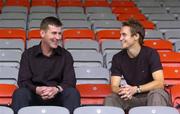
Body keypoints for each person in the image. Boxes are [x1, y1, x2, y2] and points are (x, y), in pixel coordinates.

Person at [11, 16, 80, 114]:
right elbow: (23, 81)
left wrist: (56, 89)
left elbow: (70, 81)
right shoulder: (28, 54)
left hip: (57, 97)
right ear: (42, 33)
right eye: (54, 33)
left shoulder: (66, 55)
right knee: (20, 93)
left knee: (72, 93)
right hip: (34, 96)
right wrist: (37, 89)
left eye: (59, 33)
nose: (58, 37)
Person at [104, 19, 172, 111]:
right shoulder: (117, 58)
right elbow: (114, 86)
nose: (120, 38)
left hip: (152, 95)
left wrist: (136, 89)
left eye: (124, 35)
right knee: (111, 98)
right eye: (120, 35)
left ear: (136, 36)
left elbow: (160, 83)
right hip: (133, 98)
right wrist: (125, 91)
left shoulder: (151, 53)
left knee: (156, 94)